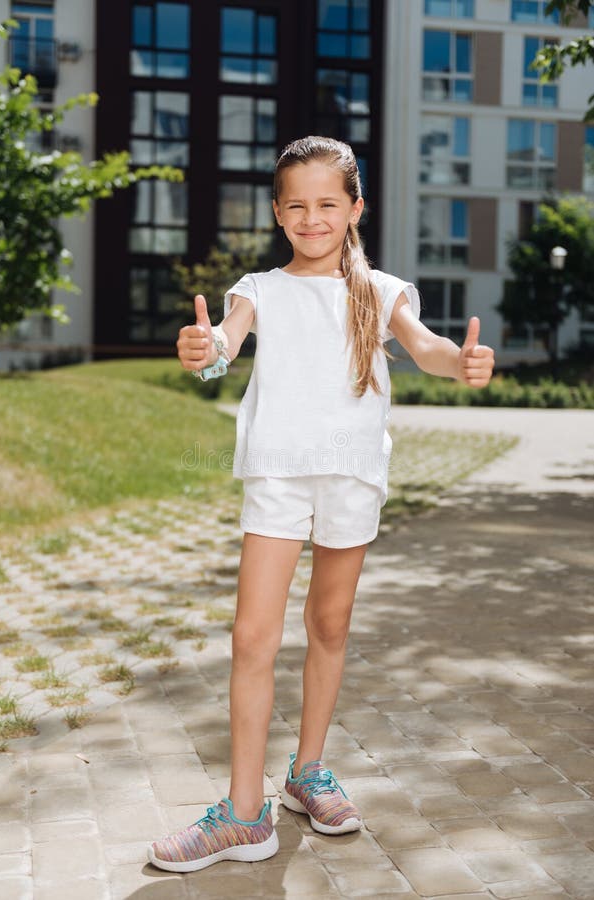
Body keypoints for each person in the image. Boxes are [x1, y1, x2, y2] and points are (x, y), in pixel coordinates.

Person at [147, 135, 495, 873]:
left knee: (329, 625)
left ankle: (307, 773)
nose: (311, 219)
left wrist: (459, 363)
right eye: (296, 206)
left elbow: (426, 346)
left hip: (351, 474)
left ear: (355, 208)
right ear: (277, 212)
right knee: (252, 637)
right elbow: (224, 344)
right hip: (276, 473)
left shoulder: (380, 289)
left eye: (327, 205)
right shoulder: (257, 289)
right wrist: (204, 348)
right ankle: (244, 814)